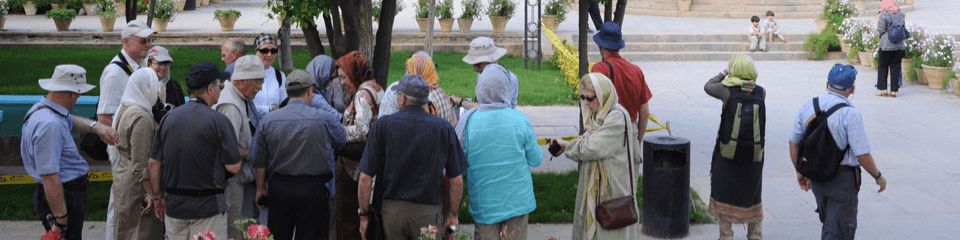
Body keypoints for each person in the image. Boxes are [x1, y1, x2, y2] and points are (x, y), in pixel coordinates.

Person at [358, 74, 468, 240]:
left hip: (391, 213)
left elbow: (365, 178)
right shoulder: (443, 128)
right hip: (429, 213)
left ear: (402, 99)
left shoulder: (383, 126)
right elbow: (456, 180)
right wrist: (452, 216)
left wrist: (364, 216)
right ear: (425, 100)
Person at [788, 64, 887, 240]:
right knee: (838, 231)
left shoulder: (809, 105)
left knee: (830, 225)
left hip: (816, 178)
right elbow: (862, 153)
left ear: (827, 83)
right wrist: (877, 175)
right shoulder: (850, 114)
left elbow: (794, 140)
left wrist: (800, 170)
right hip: (842, 180)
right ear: (852, 89)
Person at [148, 62, 242, 239]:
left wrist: (157, 196)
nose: (221, 90)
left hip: (175, 208)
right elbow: (234, 167)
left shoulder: (168, 118)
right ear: (209, 88)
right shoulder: (219, 121)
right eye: (219, 86)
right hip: (209, 209)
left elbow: (154, 163)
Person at [22, 65, 117, 240]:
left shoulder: (43, 110)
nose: (79, 98)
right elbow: (50, 176)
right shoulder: (50, 126)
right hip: (65, 195)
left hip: (64, 193)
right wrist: (60, 220)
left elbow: (69, 120)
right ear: (70, 94)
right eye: (78, 93)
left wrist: (95, 126)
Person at [252, 70, 347, 240]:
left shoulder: (268, 120)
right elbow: (341, 139)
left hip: (279, 188)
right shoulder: (325, 118)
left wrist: (260, 189)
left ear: (287, 93)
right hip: (313, 189)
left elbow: (259, 158)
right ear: (310, 91)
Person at [455, 63, 542, 240]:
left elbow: (460, 166)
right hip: (518, 203)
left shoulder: (469, 122)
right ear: (506, 88)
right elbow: (536, 159)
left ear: (480, 89)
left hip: (485, 205)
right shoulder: (519, 119)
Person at [550, 73, 641, 240]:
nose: (586, 102)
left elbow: (593, 148)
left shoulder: (616, 116)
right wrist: (568, 146)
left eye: (590, 98)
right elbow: (587, 143)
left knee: (610, 233)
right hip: (596, 189)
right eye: (583, 97)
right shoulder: (598, 115)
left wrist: (567, 146)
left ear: (603, 95)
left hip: (612, 191)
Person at [99, 21, 154, 240]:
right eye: (143, 40)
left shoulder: (137, 65)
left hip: (134, 149)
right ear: (126, 41)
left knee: (131, 202)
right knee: (121, 202)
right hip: (123, 151)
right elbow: (104, 118)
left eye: (150, 40)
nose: (148, 44)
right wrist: (125, 153)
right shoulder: (115, 73)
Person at [703, 54, 765, 240]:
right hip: (754, 157)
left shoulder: (726, 91)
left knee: (725, 192)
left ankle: (727, 236)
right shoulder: (761, 92)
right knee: (752, 194)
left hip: (727, 153)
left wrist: (724, 72)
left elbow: (707, 86)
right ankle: (755, 235)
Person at [213, 55, 265, 240]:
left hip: (239, 179)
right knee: (234, 230)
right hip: (230, 181)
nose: (260, 87)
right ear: (242, 80)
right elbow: (228, 150)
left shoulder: (238, 97)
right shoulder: (231, 105)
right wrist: (257, 153)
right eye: (258, 81)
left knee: (243, 227)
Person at [110, 68, 166, 239]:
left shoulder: (126, 107)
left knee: (126, 230)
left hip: (124, 176)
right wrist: (153, 195)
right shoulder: (142, 118)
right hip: (137, 187)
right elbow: (141, 164)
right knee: (142, 232)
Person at [334, 51, 383, 240]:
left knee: (348, 218)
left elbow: (361, 130)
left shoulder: (362, 94)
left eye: (344, 77)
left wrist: (337, 132)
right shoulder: (375, 87)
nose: (343, 82)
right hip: (367, 160)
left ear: (355, 73)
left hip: (354, 163)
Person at [590, 22, 653, 142]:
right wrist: (637, 141)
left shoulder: (599, 69)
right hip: (631, 132)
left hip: (607, 133)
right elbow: (644, 112)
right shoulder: (636, 71)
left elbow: (593, 106)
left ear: (600, 47)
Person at [381, 51, 457, 125]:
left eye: (410, 71)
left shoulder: (422, 97)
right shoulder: (441, 92)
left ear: (419, 71)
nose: (407, 75)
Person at [449, 37, 519, 110]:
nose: (475, 69)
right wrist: (460, 101)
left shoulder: (511, 80)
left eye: (478, 64)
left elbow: (494, 110)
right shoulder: (482, 74)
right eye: (473, 64)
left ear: (493, 60)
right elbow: (482, 105)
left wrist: (461, 102)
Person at [250, 33, 287, 126]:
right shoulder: (247, 74)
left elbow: (284, 104)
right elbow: (247, 108)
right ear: (256, 51)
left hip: (274, 126)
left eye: (273, 51)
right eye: (265, 51)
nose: (269, 54)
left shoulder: (280, 76)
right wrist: (270, 109)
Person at [876, 0, 906, 98]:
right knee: (895, 67)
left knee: (883, 67)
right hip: (898, 46)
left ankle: (883, 89)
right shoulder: (901, 14)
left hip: (886, 46)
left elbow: (880, 30)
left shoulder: (884, 15)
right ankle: (894, 91)